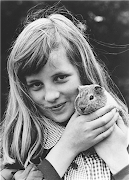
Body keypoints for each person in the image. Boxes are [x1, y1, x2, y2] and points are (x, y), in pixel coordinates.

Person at [0, 5, 129, 180]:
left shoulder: (122, 129)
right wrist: (67, 147)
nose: (51, 96)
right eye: (36, 84)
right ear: (24, 89)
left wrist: (119, 158)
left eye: (60, 78)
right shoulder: (21, 144)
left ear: (82, 72)